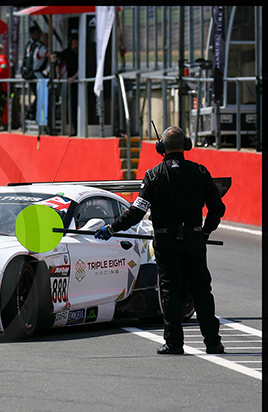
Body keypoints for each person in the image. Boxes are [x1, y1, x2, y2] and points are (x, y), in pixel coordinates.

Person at [95, 126, 226, 355]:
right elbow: (217, 208)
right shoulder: (200, 172)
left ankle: (174, 343)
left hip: (166, 242)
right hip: (194, 239)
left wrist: (111, 229)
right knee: (201, 291)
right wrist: (205, 232)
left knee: (169, 292)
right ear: (185, 144)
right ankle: (213, 342)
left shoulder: (153, 175)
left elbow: (136, 212)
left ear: (160, 148)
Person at [53, 34, 79, 136]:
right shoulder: (66, 53)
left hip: (76, 82)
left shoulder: (82, 53)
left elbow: (82, 67)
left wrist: (74, 78)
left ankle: (76, 129)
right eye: (74, 43)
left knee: (77, 106)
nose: (75, 45)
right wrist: (58, 74)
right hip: (68, 83)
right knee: (69, 105)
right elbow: (58, 65)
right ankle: (71, 128)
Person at [21, 26, 49, 120]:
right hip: (33, 75)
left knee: (41, 95)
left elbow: (46, 54)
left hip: (37, 75)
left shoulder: (39, 46)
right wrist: (24, 70)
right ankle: (32, 113)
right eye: (37, 34)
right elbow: (27, 58)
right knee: (40, 95)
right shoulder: (31, 45)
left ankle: (33, 114)